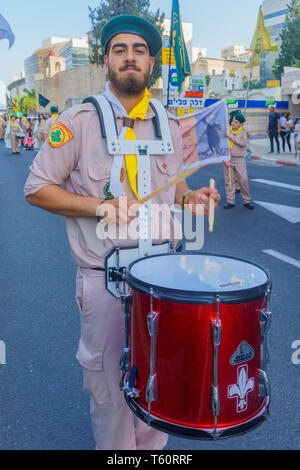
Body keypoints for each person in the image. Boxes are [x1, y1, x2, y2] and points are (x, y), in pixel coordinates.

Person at [24, 15, 220, 451]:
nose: (129, 57)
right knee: (110, 389)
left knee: (162, 382)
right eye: (119, 50)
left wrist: (191, 199)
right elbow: (37, 189)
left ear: (151, 61)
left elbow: (177, 184)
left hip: (166, 277)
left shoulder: (170, 123)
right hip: (108, 280)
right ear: (106, 60)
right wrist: (100, 206)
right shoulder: (77, 122)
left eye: (138, 50)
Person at [224, 111, 253, 209]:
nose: (233, 123)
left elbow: (242, 143)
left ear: (241, 124)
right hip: (228, 159)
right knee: (230, 181)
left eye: (236, 122)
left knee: (243, 180)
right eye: (233, 121)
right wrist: (224, 157)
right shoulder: (227, 131)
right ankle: (230, 201)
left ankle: (247, 200)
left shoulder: (243, 132)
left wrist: (230, 136)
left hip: (239, 159)